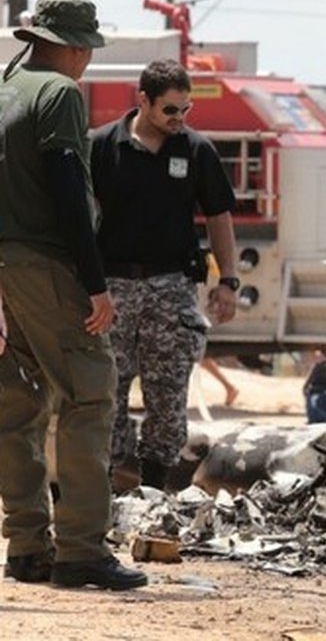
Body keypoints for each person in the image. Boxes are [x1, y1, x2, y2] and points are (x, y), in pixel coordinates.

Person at [0, 0, 148, 590]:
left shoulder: (7, 87)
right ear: (70, 44)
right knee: (90, 396)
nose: (87, 59)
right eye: (85, 48)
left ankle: (27, 546)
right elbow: (66, 188)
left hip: (5, 267)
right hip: (45, 262)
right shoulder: (58, 94)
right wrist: (95, 284)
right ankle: (82, 550)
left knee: (16, 405)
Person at [90, 59, 240, 490]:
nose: (179, 119)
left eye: (185, 110)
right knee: (106, 393)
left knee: (168, 396)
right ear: (143, 101)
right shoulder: (102, 146)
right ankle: (105, 493)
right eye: (170, 110)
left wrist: (228, 280)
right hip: (113, 289)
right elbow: (77, 216)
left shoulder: (195, 150)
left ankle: (155, 492)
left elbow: (218, 216)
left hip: (171, 287)